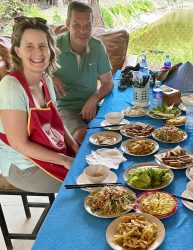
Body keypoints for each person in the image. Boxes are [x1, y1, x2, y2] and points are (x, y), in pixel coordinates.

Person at [0, 16, 79, 193]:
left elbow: (56, 120)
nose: (38, 52)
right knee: (83, 182)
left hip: (48, 151)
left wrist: (74, 146)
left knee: (96, 167)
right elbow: (19, 144)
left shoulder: (46, 80)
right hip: (23, 165)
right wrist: (65, 160)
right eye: (29, 46)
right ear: (18, 51)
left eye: (43, 45)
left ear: (51, 49)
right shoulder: (11, 86)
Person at [53, 1, 114, 143]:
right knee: (83, 137)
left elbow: (108, 82)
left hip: (92, 104)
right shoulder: (54, 46)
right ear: (67, 24)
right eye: (76, 25)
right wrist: (49, 75)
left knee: (119, 128)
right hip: (66, 107)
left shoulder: (97, 46)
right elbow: (33, 71)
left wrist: (94, 99)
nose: (83, 31)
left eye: (87, 26)